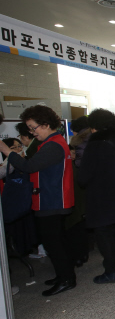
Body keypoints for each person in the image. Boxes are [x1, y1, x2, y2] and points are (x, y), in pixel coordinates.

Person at [0, 105, 76, 297]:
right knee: (55, 241)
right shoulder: (52, 142)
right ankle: (63, 275)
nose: (32, 133)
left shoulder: (53, 145)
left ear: (45, 124)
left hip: (51, 200)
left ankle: (66, 279)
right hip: (50, 199)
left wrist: (8, 152)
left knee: (54, 243)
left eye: (34, 128)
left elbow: (29, 166)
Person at [77, 109, 115, 283]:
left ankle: (111, 271)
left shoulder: (94, 146)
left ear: (94, 127)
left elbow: (83, 177)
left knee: (104, 233)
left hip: (102, 197)